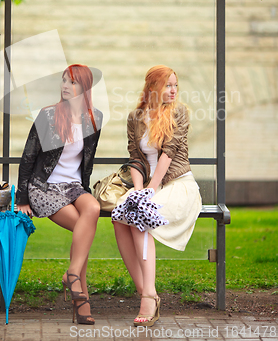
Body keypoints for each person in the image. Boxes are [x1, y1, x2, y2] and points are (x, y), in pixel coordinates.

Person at [113, 65, 202, 327]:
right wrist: (139, 189)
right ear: (153, 87)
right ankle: (147, 292)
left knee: (139, 216)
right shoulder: (136, 117)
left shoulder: (179, 112)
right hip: (151, 185)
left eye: (176, 85)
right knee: (119, 219)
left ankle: (148, 298)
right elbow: (135, 158)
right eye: (168, 85)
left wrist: (150, 189)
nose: (173, 90)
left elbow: (169, 153)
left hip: (178, 184)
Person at [16, 64, 103, 325]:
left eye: (72, 82)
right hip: (44, 185)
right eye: (64, 80)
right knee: (83, 229)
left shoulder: (94, 118)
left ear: (84, 88)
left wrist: (83, 190)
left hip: (74, 186)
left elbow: (86, 161)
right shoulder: (48, 115)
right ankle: (81, 300)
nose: (66, 86)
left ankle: (72, 274)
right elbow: (28, 157)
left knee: (93, 210)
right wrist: (22, 198)